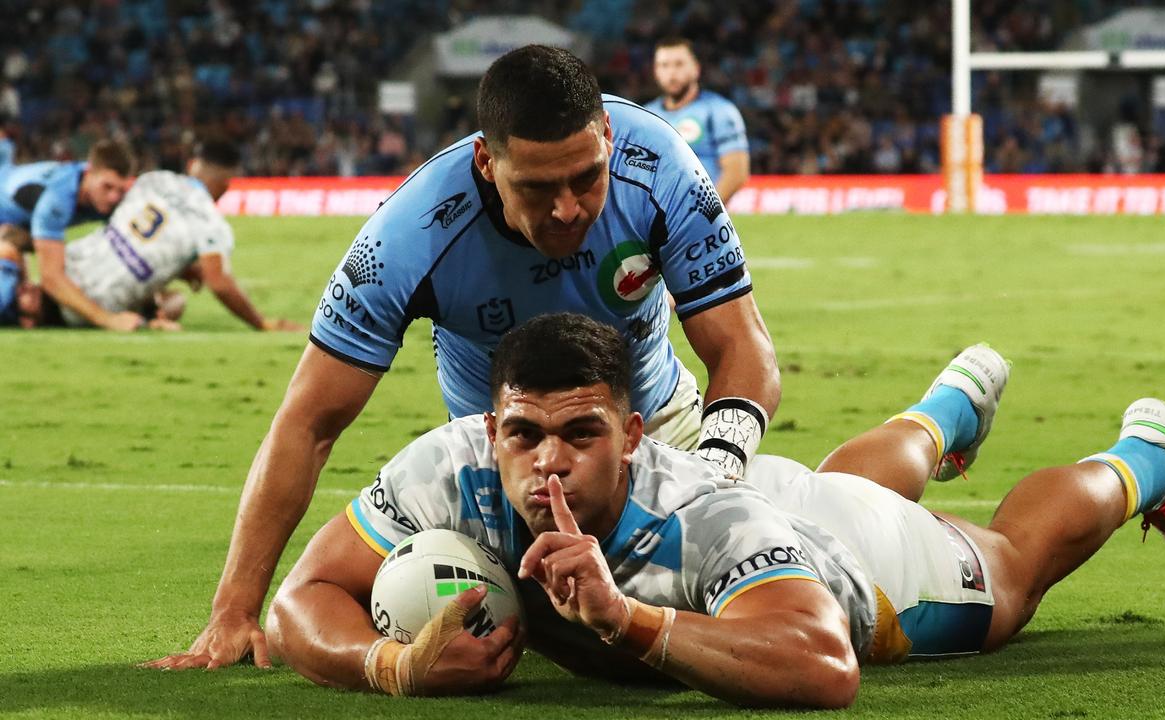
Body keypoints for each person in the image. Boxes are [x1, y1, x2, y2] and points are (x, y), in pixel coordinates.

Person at [144, 45, 780, 671]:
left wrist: (717, 470)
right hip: (503, 468)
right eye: (535, 187)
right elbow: (309, 421)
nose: (567, 208)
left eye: (587, 177)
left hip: (655, 434)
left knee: (741, 631)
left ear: (608, 136)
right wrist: (234, 608)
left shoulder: (661, 164)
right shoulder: (404, 241)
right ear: (485, 163)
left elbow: (743, 347)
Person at [255, 313, 1165, 707]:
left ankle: (1144, 456)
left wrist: (627, 620)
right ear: (490, 425)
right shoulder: (451, 466)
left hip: (838, 562)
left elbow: (823, 669)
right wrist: (390, 663)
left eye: (581, 436)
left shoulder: (703, 524)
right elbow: (303, 599)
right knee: (828, 483)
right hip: (777, 503)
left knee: (1008, 576)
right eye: (522, 435)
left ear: (634, 433)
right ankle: (941, 414)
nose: (546, 462)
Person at [43, 138, 299, 332]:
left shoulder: (155, 178)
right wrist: (261, 323)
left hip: (63, 270)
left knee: (173, 299)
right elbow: (219, 283)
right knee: (175, 302)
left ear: (191, 165)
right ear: (225, 185)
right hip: (90, 306)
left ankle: (153, 315)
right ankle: (154, 318)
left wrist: (184, 270)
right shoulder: (211, 224)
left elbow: (123, 225)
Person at [0, 139, 138, 331]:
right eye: (107, 187)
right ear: (90, 173)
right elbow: (50, 277)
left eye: (120, 190)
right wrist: (108, 320)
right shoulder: (58, 197)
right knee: (5, 297)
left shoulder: (99, 191)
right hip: (7, 227)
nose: (113, 197)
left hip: (15, 231)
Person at [645, 37, 750, 204]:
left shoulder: (719, 110)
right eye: (664, 65)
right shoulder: (647, 115)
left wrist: (706, 213)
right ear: (655, 71)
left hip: (703, 215)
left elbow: (736, 172)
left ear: (696, 69)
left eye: (679, 64)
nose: (671, 73)